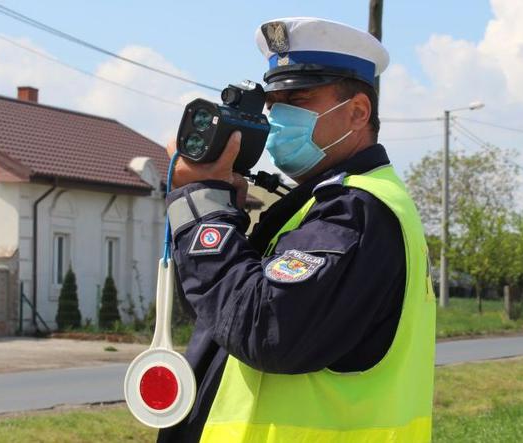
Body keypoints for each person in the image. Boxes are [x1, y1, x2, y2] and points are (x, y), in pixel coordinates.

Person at [158, 17, 436, 443]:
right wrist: (220, 214)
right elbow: (219, 312)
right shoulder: (316, 206)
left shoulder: (356, 210)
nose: (278, 117)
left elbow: (263, 329)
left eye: (298, 99)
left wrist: (201, 204)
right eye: (274, 104)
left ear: (357, 112)